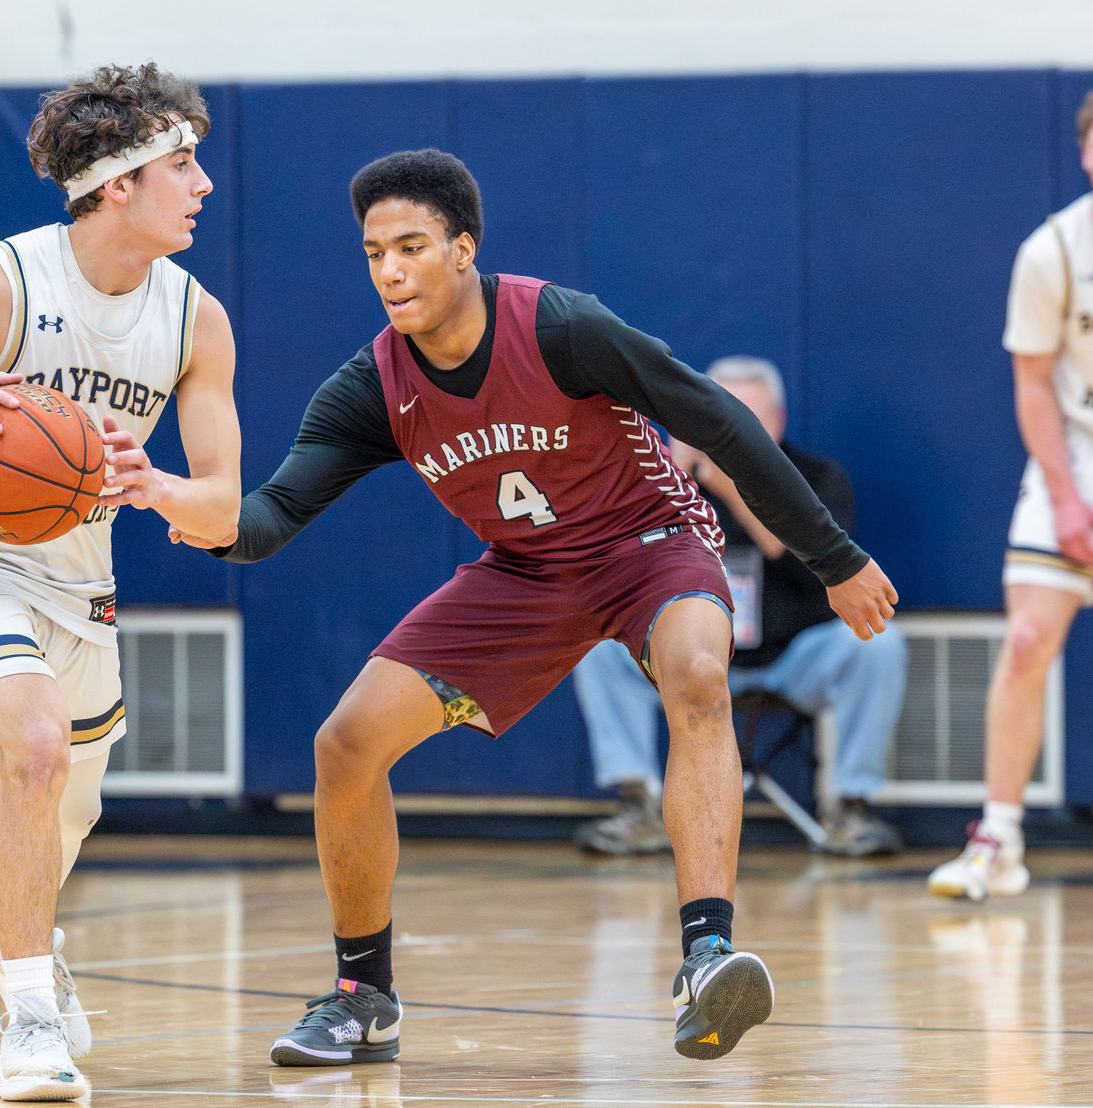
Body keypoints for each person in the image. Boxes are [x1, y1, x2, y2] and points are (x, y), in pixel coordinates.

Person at [173, 149, 896, 1064]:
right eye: (372, 253)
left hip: (649, 542)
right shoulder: (373, 386)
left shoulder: (562, 326)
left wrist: (834, 558)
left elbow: (718, 420)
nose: (389, 271)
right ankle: (365, 998)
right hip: (526, 573)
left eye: (410, 246)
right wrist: (189, 511)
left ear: (463, 248)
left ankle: (706, 954)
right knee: (344, 743)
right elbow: (271, 517)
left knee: (699, 673)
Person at [0, 64, 240, 1101]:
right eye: (182, 162)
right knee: (27, 746)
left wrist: (153, 482)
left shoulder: (197, 321)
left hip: (83, 586)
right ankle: (28, 1018)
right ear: (117, 184)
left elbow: (225, 509)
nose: (203, 183)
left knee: (60, 808)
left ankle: (5, 929)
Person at [571, 356, 906, 857]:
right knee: (598, 649)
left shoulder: (818, 478)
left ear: (777, 421)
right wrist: (674, 474)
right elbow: (621, 567)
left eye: (747, 417)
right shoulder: (672, 479)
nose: (733, 430)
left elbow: (815, 571)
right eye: (720, 413)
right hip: (690, 656)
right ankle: (639, 805)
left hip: (794, 656)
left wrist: (735, 486)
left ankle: (850, 808)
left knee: (879, 646)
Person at [928, 90, 1093, 900]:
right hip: (1077, 452)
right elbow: (1032, 386)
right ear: (1086, 151)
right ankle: (999, 836)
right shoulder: (1053, 252)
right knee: (1027, 641)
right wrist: (1066, 498)